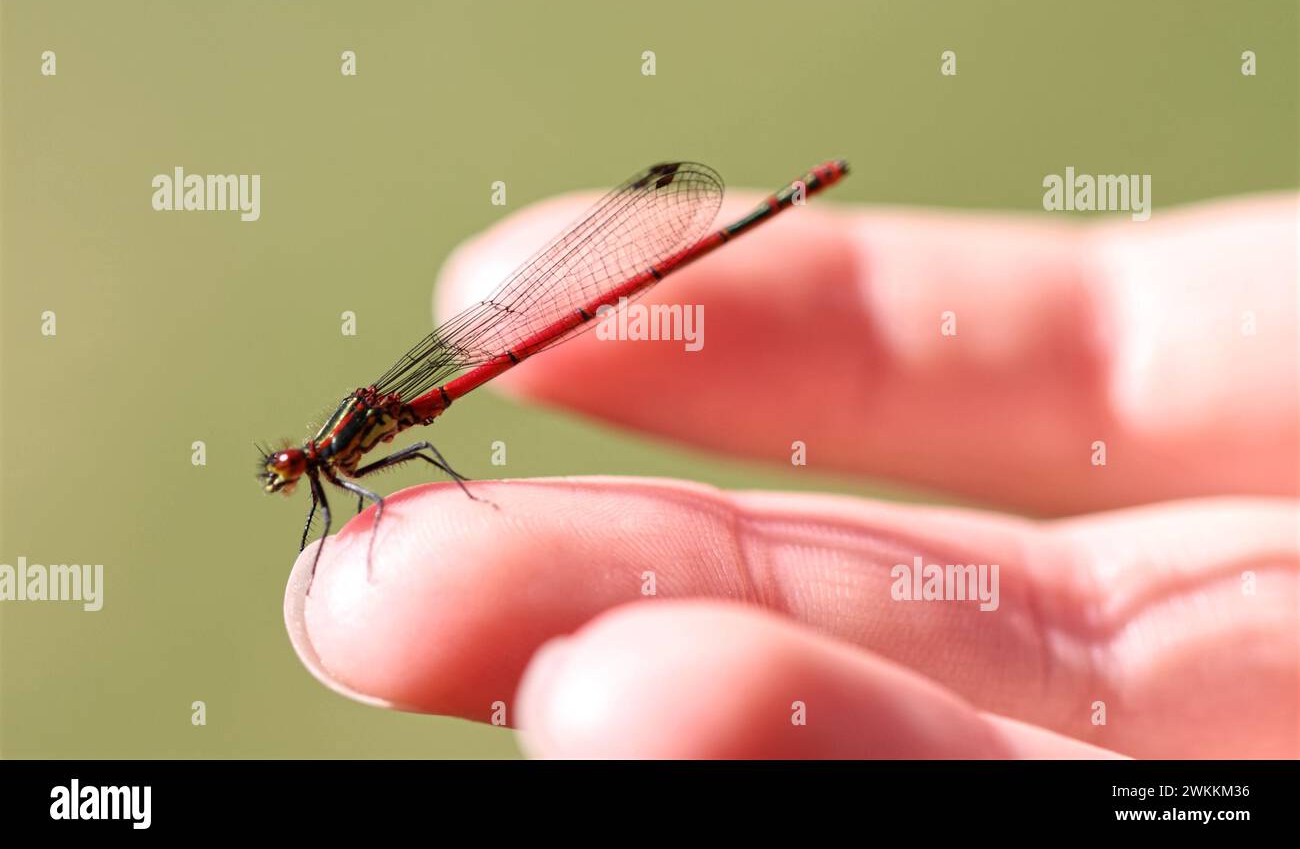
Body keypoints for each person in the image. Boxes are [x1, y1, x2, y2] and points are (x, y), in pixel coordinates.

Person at [285, 187, 1298, 759]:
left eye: (303, 467)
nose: (303, 476)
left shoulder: (359, 443)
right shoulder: (339, 460)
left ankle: (787, 192)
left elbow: (397, 464)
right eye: (299, 472)